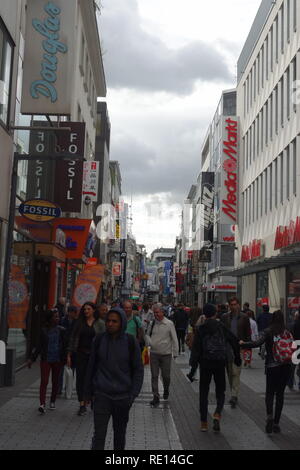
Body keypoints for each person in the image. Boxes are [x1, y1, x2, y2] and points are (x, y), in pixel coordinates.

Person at [84, 307, 144, 450]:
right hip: (102, 395)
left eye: (114, 321)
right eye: (108, 320)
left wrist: (132, 395)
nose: (110, 324)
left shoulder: (130, 342)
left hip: (122, 397)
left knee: (119, 436)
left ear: (121, 323)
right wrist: (87, 392)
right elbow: (91, 366)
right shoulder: (99, 340)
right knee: (99, 436)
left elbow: (138, 370)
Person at [240, 310, 294, 434]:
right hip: (285, 366)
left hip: (272, 366)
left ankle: (269, 415)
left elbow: (257, 343)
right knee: (280, 394)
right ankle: (276, 423)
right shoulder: (287, 331)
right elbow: (294, 347)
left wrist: (243, 344)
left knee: (270, 393)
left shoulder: (268, 331)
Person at [190, 304, 241, 432]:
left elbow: (196, 350)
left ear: (204, 314)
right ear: (215, 314)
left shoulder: (201, 329)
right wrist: (237, 358)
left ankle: (203, 423)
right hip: (220, 362)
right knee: (220, 391)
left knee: (203, 392)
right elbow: (234, 341)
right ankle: (217, 413)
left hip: (205, 363)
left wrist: (192, 370)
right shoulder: (221, 327)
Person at [67, 302, 105, 416]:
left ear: (93, 310)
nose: (86, 311)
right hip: (81, 354)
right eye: (84, 309)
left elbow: (104, 340)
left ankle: (93, 399)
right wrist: (68, 354)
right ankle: (82, 404)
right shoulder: (79, 323)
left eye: (88, 309)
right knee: (80, 379)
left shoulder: (100, 324)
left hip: (94, 356)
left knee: (94, 378)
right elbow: (73, 338)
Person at [27, 309, 66, 414]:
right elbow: (39, 346)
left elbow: (65, 346)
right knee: (44, 381)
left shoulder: (62, 330)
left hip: (57, 359)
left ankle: (52, 401)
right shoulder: (44, 330)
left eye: (58, 316)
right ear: (50, 318)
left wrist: (67, 359)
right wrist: (32, 358)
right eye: (55, 317)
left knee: (55, 381)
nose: (57, 318)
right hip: (46, 359)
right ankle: (42, 404)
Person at [145, 303, 179, 407]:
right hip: (154, 353)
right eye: (154, 312)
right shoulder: (152, 323)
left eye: (157, 312)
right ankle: (156, 396)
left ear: (162, 312)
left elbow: (174, 338)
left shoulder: (169, 324)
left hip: (166, 354)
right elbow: (147, 334)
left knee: (166, 376)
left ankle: (166, 389)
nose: (156, 314)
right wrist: (149, 342)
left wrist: (175, 352)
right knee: (154, 376)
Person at [221, 296, 251, 408]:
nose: (233, 306)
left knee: (235, 373)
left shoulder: (244, 317)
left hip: (239, 349)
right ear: (229, 305)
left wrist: (246, 343)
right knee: (229, 373)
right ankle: (233, 392)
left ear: (238, 304)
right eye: (231, 304)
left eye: (235, 304)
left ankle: (234, 395)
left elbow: (248, 334)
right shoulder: (224, 317)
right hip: (227, 349)